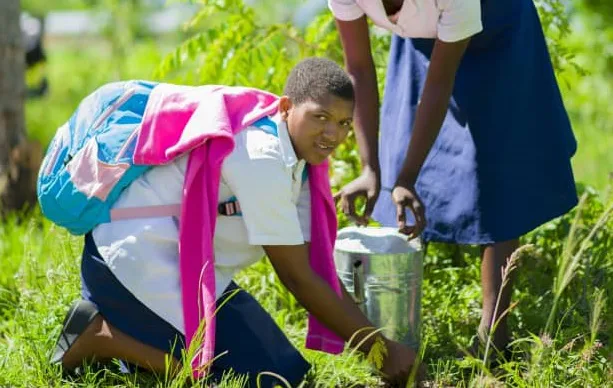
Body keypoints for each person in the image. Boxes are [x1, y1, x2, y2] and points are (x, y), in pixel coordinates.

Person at [47, 58, 417, 387]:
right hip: (130, 263)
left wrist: (376, 344)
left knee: (284, 371)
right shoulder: (261, 157)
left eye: (342, 123)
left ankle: (132, 347)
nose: (333, 135)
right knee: (252, 380)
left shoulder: (296, 155)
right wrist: (380, 349)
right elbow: (297, 277)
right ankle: (98, 337)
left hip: (186, 267)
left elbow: (312, 270)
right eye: (320, 117)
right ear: (287, 107)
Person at [330, 0, 578, 359]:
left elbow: (440, 81)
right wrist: (371, 168)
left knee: (496, 165)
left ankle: (494, 332)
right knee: (399, 148)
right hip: (425, 35)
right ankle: (394, 323)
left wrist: (406, 179)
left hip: (498, 30)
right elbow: (358, 69)